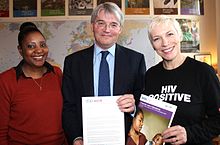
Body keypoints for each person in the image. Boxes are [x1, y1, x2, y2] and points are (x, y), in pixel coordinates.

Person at [62, 2, 146, 145]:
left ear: (120, 29)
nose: (107, 29)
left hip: (125, 140)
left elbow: (143, 104)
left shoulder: (136, 60)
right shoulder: (73, 62)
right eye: (101, 23)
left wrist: (133, 109)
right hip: (85, 140)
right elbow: (69, 106)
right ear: (92, 26)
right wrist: (76, 138)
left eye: (113, 24)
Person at [143, 15, 220, 145]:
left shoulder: (203, 72)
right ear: (153, 45)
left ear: (180, 36)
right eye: (157, 39)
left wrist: (189, 134)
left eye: (170, 34)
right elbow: (148, 120)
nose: (165, 43)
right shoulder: (150, 75)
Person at [0, 22, 66, 145]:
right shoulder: (6, 80)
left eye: (42, 45)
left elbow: (67, 113)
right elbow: (1, 131)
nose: (39, 50)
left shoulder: (57, 74)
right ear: (20, 50)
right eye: (31, 46)